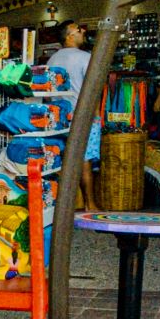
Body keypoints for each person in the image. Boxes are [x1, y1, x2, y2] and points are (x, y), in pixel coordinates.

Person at [48, 20, 99, 211]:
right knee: (84, 162)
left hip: (57, 119)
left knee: (62, 162)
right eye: (78, 29)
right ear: (69, 35)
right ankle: (90, 204)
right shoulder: (85, 57)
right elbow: (93, 87)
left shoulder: (52, 60)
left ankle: (65, 206)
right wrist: (96, 115)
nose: (82, 31)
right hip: (82, 116)